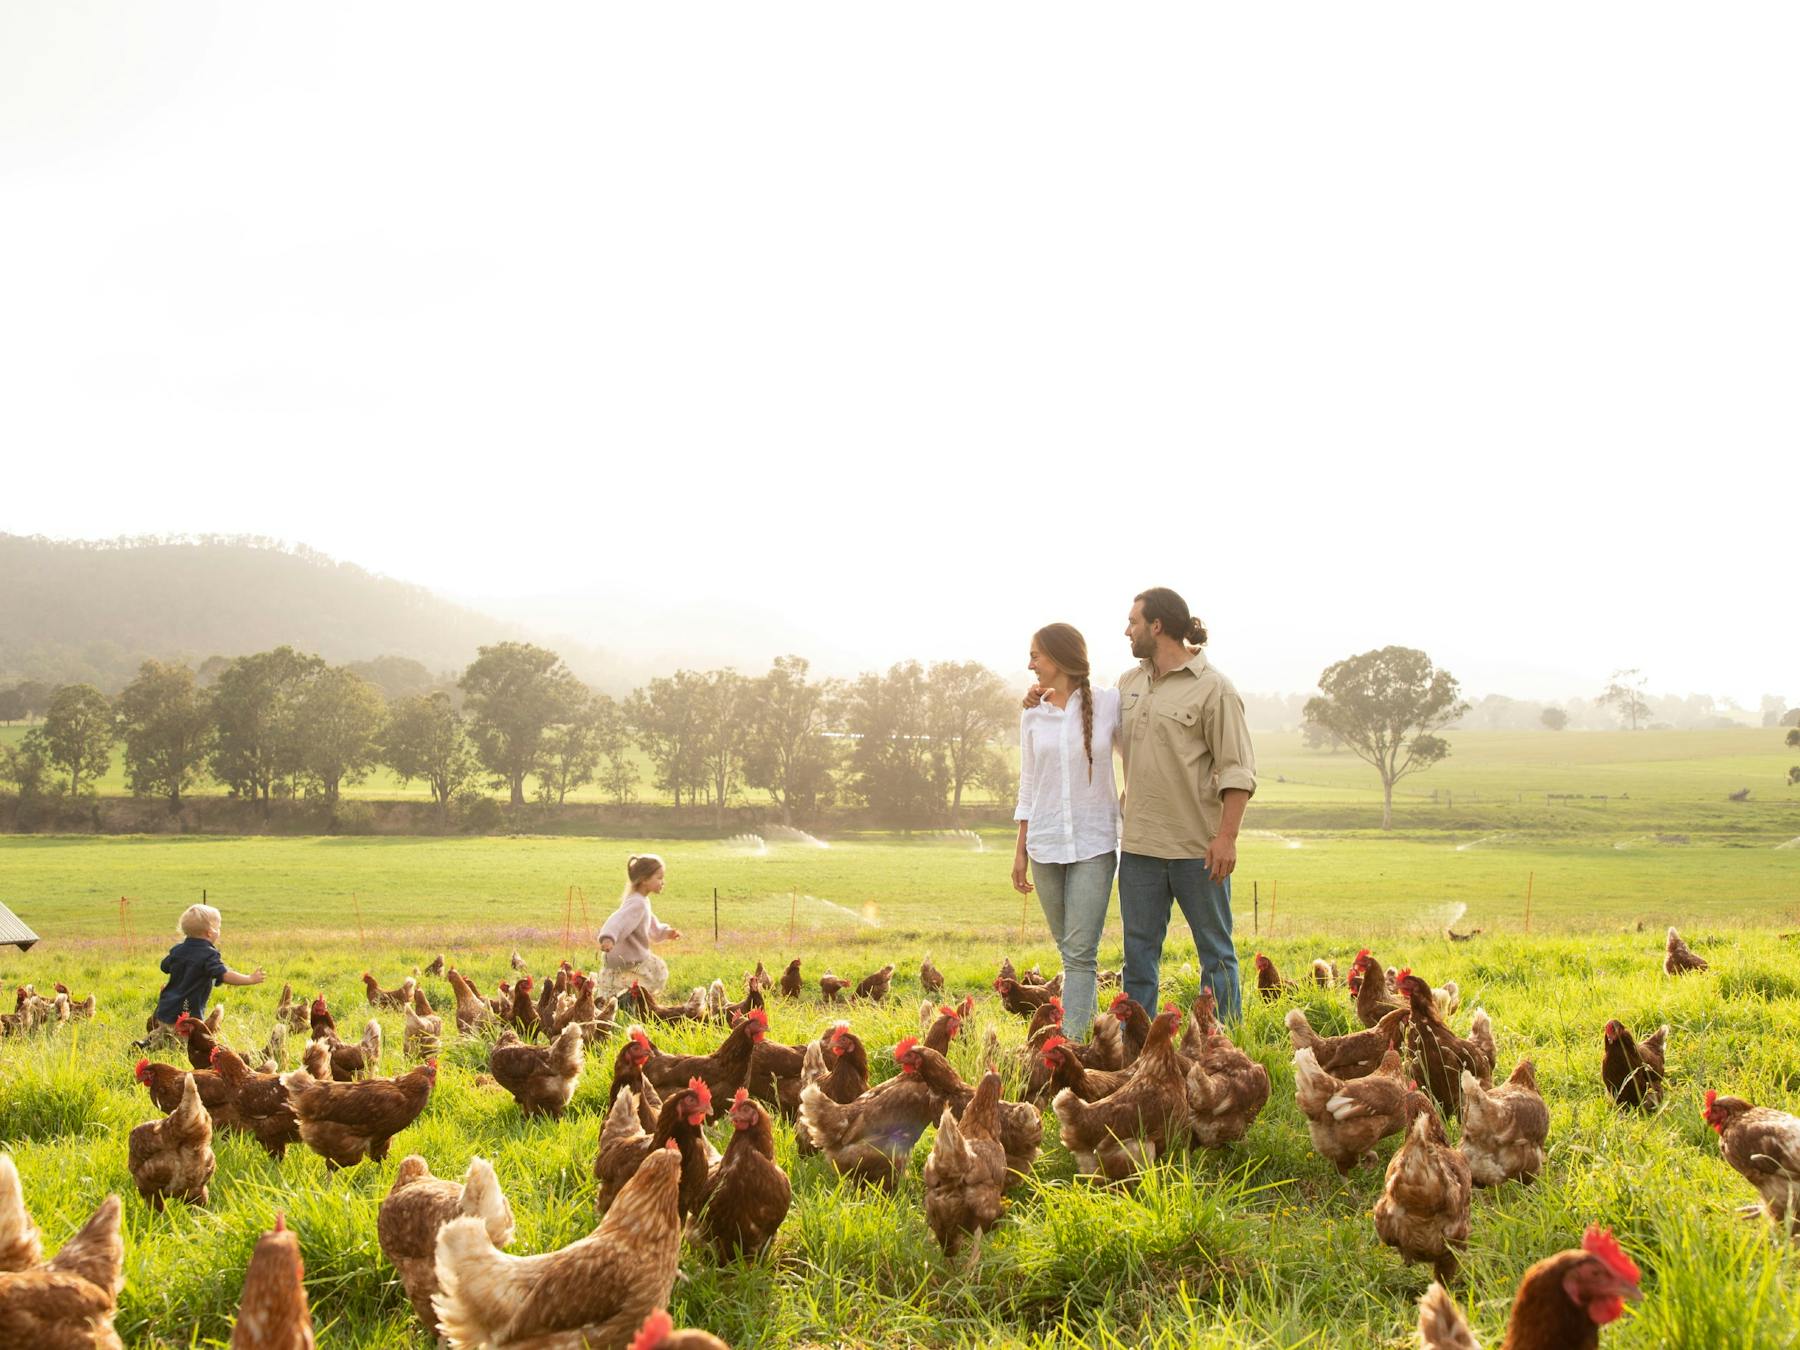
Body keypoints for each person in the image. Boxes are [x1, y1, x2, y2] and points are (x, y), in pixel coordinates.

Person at [1025, 587, 1257, 1021]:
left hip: (1197, 849)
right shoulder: (1128, 686)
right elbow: (1080, 716)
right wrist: (1041, 695)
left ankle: (1226, 1049)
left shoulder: (1214, 689)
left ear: (1156, 626)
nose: (1126, 630)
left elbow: (1237, 770)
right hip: (1139, 850)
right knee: (1139, 961)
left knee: (1216, 953)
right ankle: (1137, 1058)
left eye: (1133, 622)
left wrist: (1226, 838)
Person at [1011, 623, 1120, 1038]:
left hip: (1094, 844)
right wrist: (1020, 849)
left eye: (1036, 655)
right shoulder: (1033, 714)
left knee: (1079, 955)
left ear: (1059, 657)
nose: (1030, 664)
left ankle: (1073, 1049)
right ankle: (1096, 1040)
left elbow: (1140, 756)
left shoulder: (1109, 703)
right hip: (1044, 844)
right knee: (1071, 952)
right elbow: (1028, 783)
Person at [139, 903, 265, 1045]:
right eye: (218, 927)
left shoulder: (177, 950)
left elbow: (164, 966)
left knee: (162, 1035)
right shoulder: (209, 955)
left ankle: (145, 1045)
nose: (219, 930)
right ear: (210, 933)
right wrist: (249, 978)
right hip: (188, 1014)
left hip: (166, 1007)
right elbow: (225, 975)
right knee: (185, 1044)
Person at [595, 853, 681, 999]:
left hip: (630, 958)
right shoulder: (637, 903)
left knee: (654, 972)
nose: (663, 882)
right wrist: (608, 937)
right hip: (628, 959)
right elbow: (618, 920)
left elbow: (651, 926)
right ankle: (629, 1002)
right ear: (645, 880)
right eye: (659, 877)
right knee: (657, 972)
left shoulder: (642, 901)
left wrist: (665, 932)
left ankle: (629, 1001)